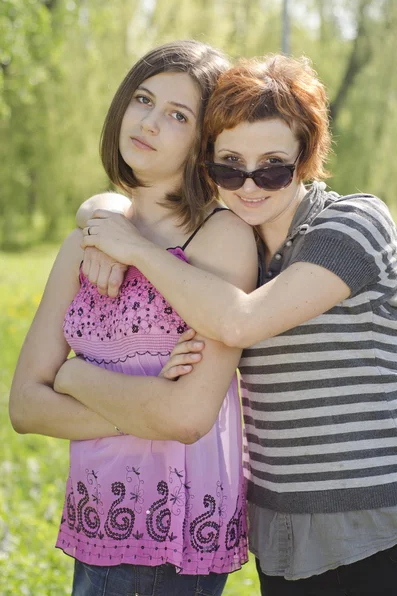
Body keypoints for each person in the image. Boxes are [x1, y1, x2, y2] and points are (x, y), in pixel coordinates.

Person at [79, 54, 397, 595]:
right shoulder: (237, 246)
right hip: (280, 531)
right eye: (230, 165)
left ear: (307, 157)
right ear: (207, 165)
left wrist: (131, 248)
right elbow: (133, 202)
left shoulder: (354, 223)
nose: (250, 185)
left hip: (373, 521)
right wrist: (102, 214)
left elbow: (239, 321)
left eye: (273, 166)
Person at [9, 40, 258, 596]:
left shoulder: (222, 239)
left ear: (205, 140)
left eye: (177, 115)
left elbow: (185, 419)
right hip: (95, 517)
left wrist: (75, 380)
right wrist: (142, 408)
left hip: (175, 534)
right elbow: (25, 405)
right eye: (142, 99)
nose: (147, 122)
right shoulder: (87, 240)